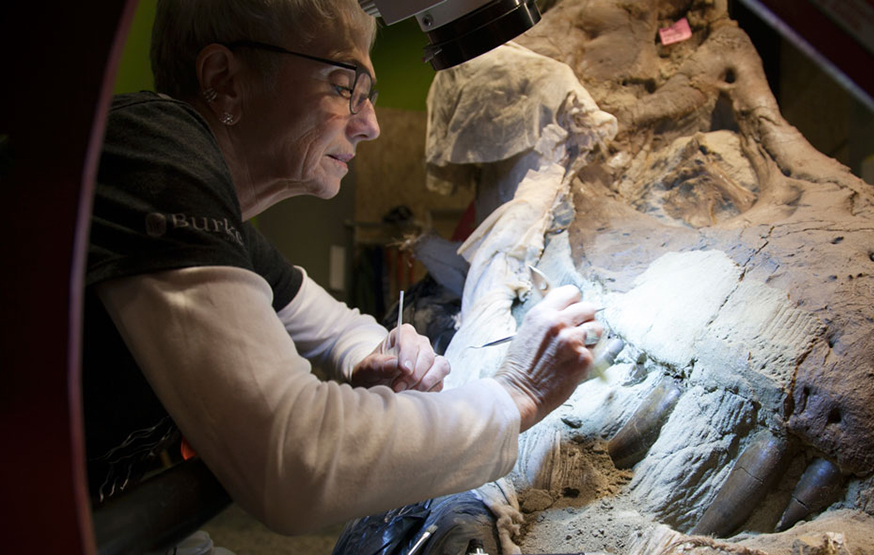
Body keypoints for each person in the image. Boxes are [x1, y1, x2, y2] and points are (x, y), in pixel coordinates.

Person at [82, 0, 602, 537]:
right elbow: (294, 465)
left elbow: (332, 325)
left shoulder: (224, 223)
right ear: (224, 80)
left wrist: (371, 354)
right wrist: (518, 394)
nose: (371, 125)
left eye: (369, 96)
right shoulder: (148, 155)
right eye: (342, 86)